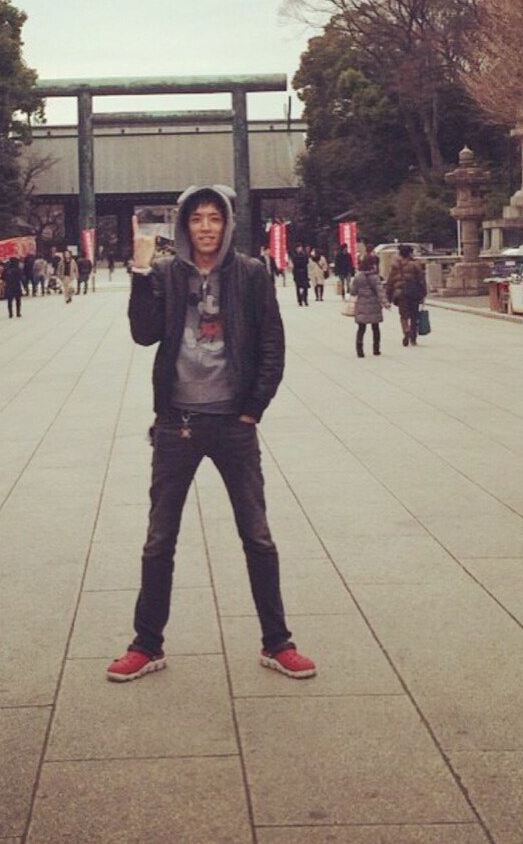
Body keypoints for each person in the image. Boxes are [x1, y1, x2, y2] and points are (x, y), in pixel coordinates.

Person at [107, 183, 316, 683]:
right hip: (176, 422)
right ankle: (146, 644)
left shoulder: (250, 274)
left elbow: (272, 344)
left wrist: (253, 410)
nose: (205, 227)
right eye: (197, 218)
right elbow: (143, 334)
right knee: (160, 539)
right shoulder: (166, 273)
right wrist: (140, 273)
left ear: (227, 224)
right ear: (185, 225)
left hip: (233, 424)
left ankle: (277, 641)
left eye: (214, 218)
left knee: (257, 536)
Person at [384, 244, 427, 346]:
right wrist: (424, 292)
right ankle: (413, 338)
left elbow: (390, 282)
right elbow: (421, 280)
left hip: (400, 293)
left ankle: (406, 330)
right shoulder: (415, 264)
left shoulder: (395, 266)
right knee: (414, 316)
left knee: (403, 315)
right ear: (410, 253)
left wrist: (388, 296)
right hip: (413, 292)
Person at [350, 253, 385, 357]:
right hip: (374, 304)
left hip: (362, 304)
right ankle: (376, 349)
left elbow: (353, 291)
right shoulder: (375, 277)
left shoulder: (358, 276)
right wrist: (385, 302)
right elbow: (380, 291)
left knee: (361, 328)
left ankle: (359, 350)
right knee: (375, 327)